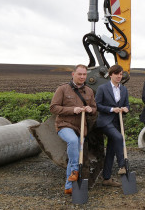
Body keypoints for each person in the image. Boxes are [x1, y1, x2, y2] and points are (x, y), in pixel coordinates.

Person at [50, 64, 97, 195]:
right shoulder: (63, 89)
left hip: (81, 128)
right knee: (73, 141)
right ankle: (76, 170)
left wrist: (90, 109)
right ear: (73, 74)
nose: (82, 77)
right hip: (64, 125)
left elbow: (94, 109)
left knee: (74, 153)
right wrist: (72, 110)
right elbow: (53, 108)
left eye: (84, 74)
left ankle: (69, 186)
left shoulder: (89, 91)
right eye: (79, 74)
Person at [95, 64, 130, 187]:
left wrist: (126, 109)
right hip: (105, 122)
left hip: (117, 122)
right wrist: (111, 109)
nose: (119, 76)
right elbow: (97, 105)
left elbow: (127, 105)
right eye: (117, 74)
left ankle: (107, 178)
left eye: (121, 74)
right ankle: (122, 165)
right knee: (119, 137)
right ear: (110, 75)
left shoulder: (124, 89)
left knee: (111, 150)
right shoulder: (102, 88)